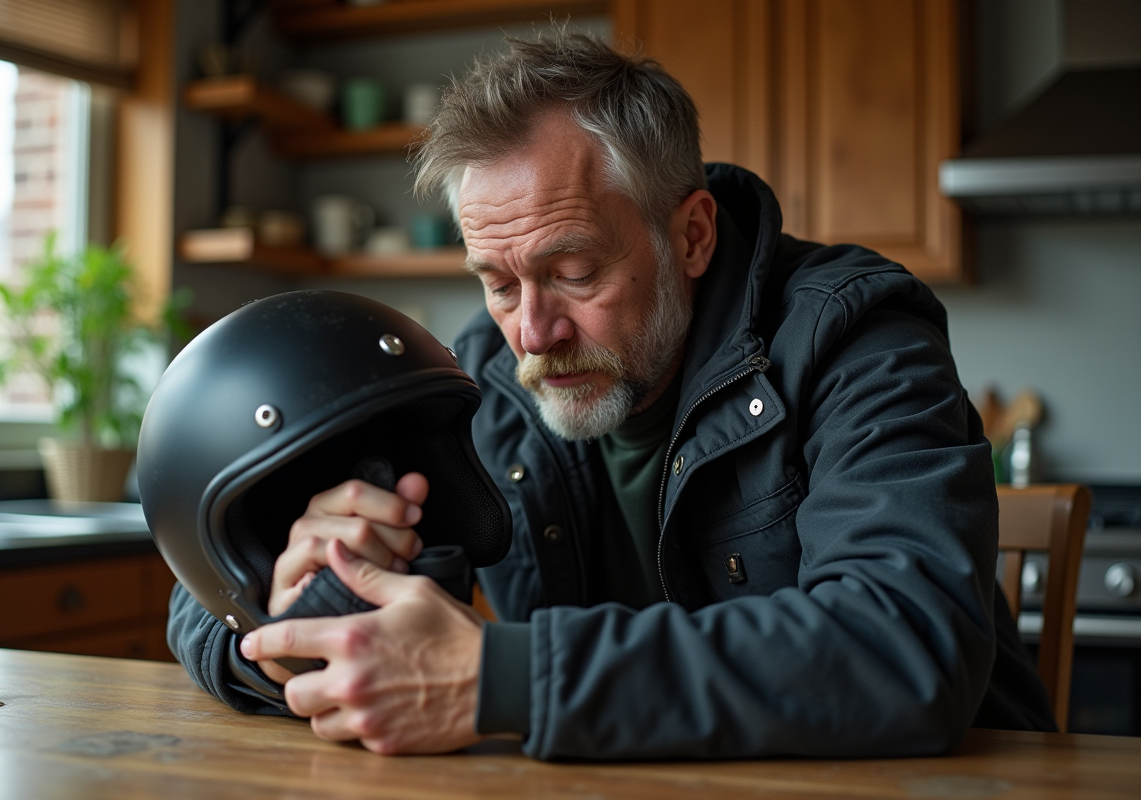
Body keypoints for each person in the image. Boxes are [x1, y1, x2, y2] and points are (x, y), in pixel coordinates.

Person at [168, 30, 1055, 759]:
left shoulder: (856, 335)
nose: (533, 333)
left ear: (693, 236)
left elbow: (903, 646)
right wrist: (284, 630)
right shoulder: (475, 376)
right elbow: (201, 584)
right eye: (500, 283)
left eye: (574, 271)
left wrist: (503, 680)